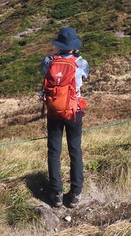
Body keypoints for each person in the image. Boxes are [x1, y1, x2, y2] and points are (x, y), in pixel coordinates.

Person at [40, 27, 90, 208]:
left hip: (54, 112)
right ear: (74, 45)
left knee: (54, 152)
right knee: (75, 150)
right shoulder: (80, 63)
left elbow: (43, 73)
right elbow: (86, 76)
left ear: (59, 44)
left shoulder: (48, 61)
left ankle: (57, 194)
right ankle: (76, 193)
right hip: (73, 111)